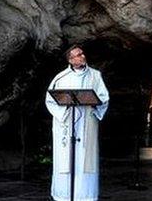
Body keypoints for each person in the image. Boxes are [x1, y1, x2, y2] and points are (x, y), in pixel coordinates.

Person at [45, 44, 110, 201]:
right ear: (70, 59)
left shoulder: (95, 75)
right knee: (65, 159)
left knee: (86, 160)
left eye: (82, 53)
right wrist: (63, 113)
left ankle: (85, 196)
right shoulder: (61, 77)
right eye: (78, 55)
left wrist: (95, 108)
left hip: (86, 124)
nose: (82, 56)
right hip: (66, 123)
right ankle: (64, 195)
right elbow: (50, 99)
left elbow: (104, 97)